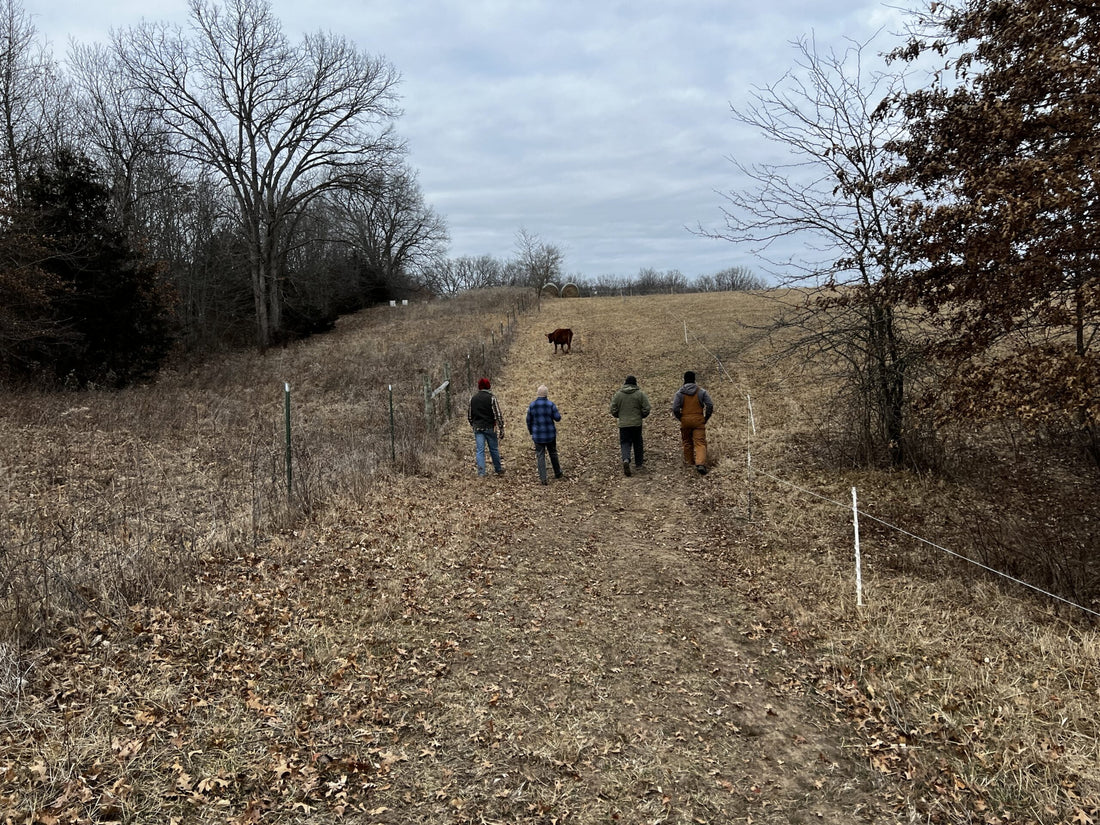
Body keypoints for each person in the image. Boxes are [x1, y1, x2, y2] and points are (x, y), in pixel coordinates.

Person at [672, 370, 715, 475]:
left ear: (684, 380)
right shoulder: (701, 392)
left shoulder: (680, 393)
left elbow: (675, 408)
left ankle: (689, 463)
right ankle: (700, 463)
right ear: (694, 379)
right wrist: (706, 417)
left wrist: (681, 418)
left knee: (687, 442)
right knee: (700, 443)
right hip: (698, 420)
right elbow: (710, 405)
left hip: (685, 421)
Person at [609, 375, 651, 476]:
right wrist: (642, 415)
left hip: (624, 424)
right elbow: (647, 407)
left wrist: (619, 416)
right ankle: (639, 463)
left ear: (625, 383)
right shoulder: (640, 394)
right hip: (636, 423)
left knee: (625, 443)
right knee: (638, 442)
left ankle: (626, 459)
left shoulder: (618, 395)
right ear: (635, 383)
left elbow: (613, 409)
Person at [525, 384, 563, 485]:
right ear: (546, 394)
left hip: (537, 435)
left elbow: (528, 420)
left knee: (540, 455)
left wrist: (531, 431)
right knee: (553, 453)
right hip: (550, 434)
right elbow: (558, 418)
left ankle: (543, 478)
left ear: (538, 394)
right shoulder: (550, 404)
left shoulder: (532, 405)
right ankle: (557, 472)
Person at [468, 377, 505, 476]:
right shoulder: (492, 398)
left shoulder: (473, 398)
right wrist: (501, 427)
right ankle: (498, 469)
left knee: (480, 450)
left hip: (477, 428)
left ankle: (481, 472)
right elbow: (497, 414)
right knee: (493, 449)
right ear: (488, 386)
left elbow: (470, 415)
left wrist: (473, 424)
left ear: (479, 386)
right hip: (489, 427)